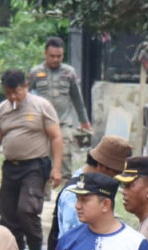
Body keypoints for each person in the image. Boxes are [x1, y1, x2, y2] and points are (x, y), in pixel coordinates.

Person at [0, 68, 63, 250]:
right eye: (9, 93)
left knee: (27, 210)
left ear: (26, 86)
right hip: (10, 167)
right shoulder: (2, 109)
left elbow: (56, 137)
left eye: (17, 92)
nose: (14, 97)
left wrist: (57, 168)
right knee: (8, 216)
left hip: (34, 166)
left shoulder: (41, 106)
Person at [28, 37, 93, 182]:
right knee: (41, 160)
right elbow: (26, 97)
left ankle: (66, 194)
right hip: (41, 125)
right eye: (52, 56)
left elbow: (77, 98)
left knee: (64, 157)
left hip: (63, 123)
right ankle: (43, 197)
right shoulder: (35, 73)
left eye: (59, 56)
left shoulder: (69, 73)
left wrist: (84, 121)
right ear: (45, 54)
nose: (56, 59)